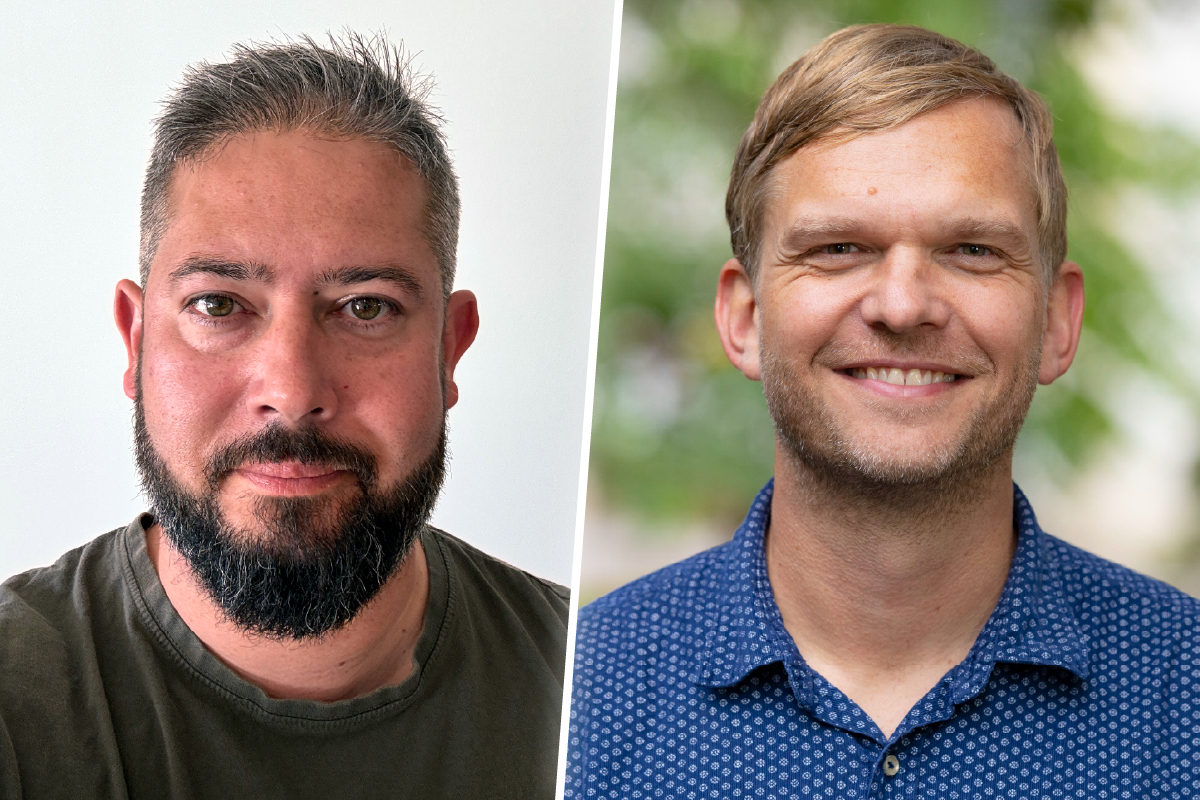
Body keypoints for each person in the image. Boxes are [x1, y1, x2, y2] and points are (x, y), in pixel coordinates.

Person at [567, 23, 1199, 798]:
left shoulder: (1184, 694)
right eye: (838, 248)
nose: (902, 306)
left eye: (972, 250)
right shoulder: (572, 702)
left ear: (1058, 323)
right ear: (742, 318)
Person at [0, 34, 568, 799]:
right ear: (135, 342)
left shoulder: (595, 681)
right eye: (218, 305)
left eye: (366, 307)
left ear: (449, 349)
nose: (293, 390)